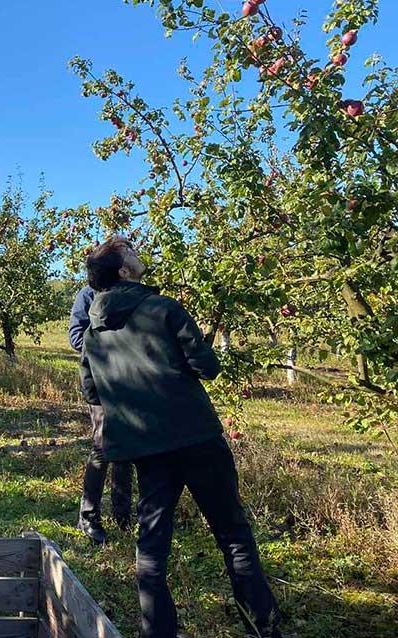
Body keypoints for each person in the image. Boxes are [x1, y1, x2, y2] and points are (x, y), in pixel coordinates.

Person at [80, 237, 281, 638]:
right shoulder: (163, 308)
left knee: (151, 546)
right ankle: (264, 628)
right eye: (131, 253)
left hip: (146, 448)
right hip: (195, 437)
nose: (139, 255)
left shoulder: (92, 335)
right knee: (233, 535)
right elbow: (207, 367)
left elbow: (93, 394)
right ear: (123, 270)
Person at [69, 282, 134, 545]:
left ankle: (122, 516)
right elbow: (76, 337)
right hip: (102, 381)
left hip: (132, 381)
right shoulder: (88, 294)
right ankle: (88, 516)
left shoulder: (131, 295)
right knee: (103, 446)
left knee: (127, 450)